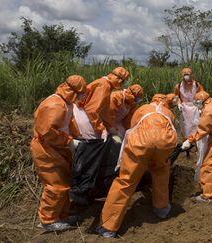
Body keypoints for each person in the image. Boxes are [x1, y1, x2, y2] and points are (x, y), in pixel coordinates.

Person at [95, 94, 177, 238]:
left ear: (153, 100)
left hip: (141, 143)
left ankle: (108, 226)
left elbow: (132, 127)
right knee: (160, 172)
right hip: (165, 144)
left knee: (126, 180)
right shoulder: (169, 113)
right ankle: (161, 208)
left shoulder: (143, 108)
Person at [30, 75, 86, 231]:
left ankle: (62, 216)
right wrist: (68, 141)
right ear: (72, 91)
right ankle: (48, 221)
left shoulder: (65, 103)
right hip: (46, 149)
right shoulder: (54, 105)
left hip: (57, 147)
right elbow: (47, 131)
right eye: (80, 92)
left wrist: (78, 136)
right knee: (55, 184)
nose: (82, 96)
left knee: (64, 183)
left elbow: (69, 122)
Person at [73, 67, 130, 140]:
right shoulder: (104, 86)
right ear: (119, 80)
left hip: (87, 115)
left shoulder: (105, 84)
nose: (122, 85)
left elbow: (104, 111)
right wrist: (101, 129)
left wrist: (111, 127)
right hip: (84, 116)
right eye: (123, 82)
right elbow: (91, 110)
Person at [174, 67, 204, 138]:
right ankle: (185, 141)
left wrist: (200, 106)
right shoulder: (178, 86)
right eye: (185, 75)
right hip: (184, 109)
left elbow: (202, 95)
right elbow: (176, 97)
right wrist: (178, 104)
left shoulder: (197, 85)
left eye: (188, 75)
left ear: (191, 75)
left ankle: (195, 139)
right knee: (185, 126)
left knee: (196, 124)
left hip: (195, 108)